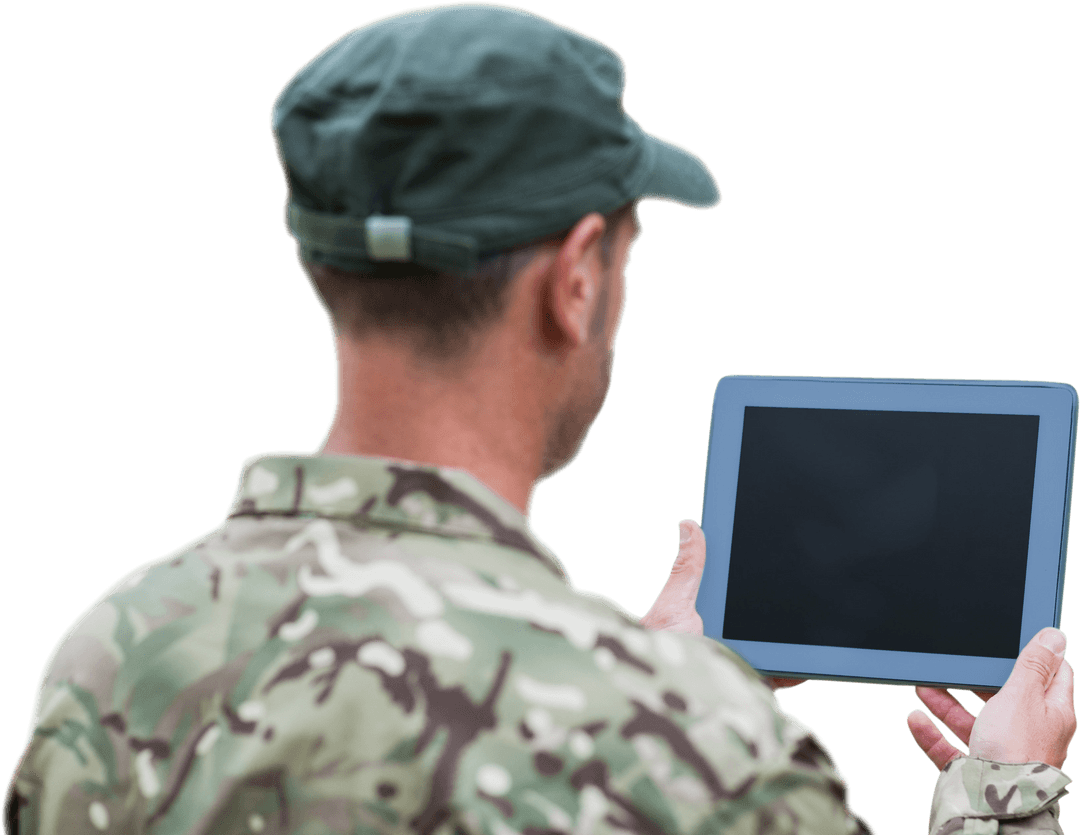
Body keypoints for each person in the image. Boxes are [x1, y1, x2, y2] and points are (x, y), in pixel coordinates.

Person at [3, 3, 1074, 833]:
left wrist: (639, 666)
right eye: (626, 256)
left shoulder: (109, 658)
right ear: (574, 282)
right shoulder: (696, 753)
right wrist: (1006, 787)